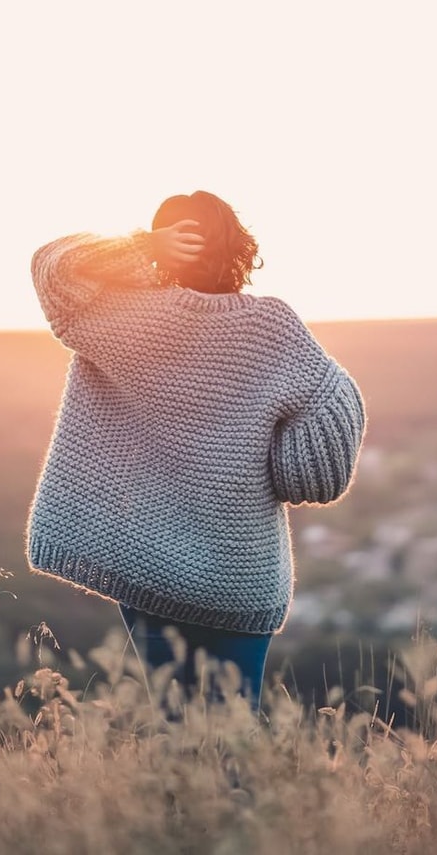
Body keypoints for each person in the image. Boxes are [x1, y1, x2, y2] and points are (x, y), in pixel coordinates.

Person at [25, 191, 366, 710]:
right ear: (239, 249)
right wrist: (285, 467)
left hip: (146, 565)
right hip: (240, 572)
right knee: (233, 728)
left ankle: (186, 795)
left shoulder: (115, 315)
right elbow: (331, 409)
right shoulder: (269, 328)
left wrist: (141, 247)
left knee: (177, 725)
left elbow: (54, 267)